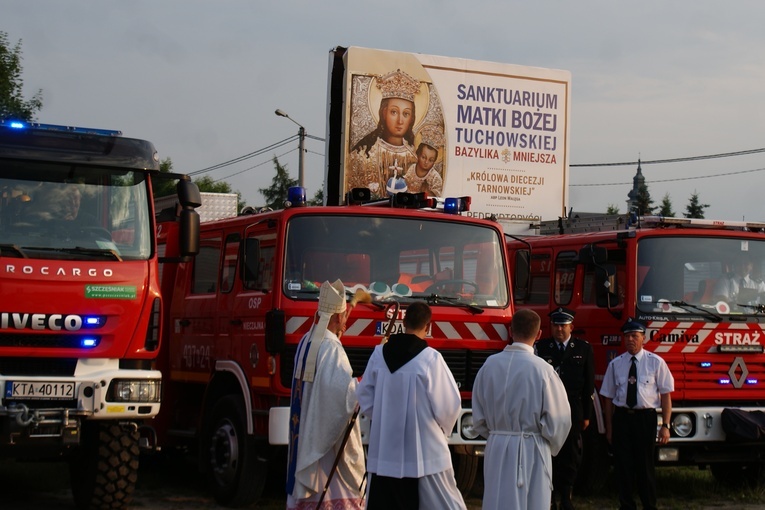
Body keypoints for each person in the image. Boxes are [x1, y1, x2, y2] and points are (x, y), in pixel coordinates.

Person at [356, 301, 466, 509]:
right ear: (428, 326)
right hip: (421, 450)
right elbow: (449, 404)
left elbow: (363, 394)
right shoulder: (431, 358)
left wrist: (382, 416)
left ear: (403, 321)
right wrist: (443, 429)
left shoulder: (379, 354)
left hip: (384, 446)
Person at [472, 308, 572, 510]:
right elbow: (560, 419)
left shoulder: (489, 366)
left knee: (497, 500)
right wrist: (549, 443)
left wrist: (496, 434)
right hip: (532, 448)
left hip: (497, 446)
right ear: (539, 334)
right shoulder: (543, 370)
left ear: (510, 331)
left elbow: (479, 414)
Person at [286, 279, 365, 510]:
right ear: (337, 317)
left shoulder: (306, 341)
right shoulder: (331, 348)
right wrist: (363, 383)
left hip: (307, 433)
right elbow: (342, 397)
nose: (345, 324)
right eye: (343, 318)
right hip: (324, 445)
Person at [600, 318, 675, 510]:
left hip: (645, 419)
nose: (630, 340)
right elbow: (608, 398)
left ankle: (649, 505)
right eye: (627, 336)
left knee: (645, 466)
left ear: (643, 338)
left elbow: (666, 396)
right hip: (623, 418)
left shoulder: (655, 362)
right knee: (623, 466)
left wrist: (665, 426)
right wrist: (609, 428)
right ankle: (626, 505)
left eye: (634, 336)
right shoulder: (616, 364)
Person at [535, 307, 595, 510]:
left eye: (563, 325)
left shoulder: (583, 349)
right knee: (550, 453)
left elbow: (588, 385)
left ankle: (566, 496)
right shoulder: (541, 348)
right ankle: (549, 495)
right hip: (548, 409)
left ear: (572, 327)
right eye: (556, 325)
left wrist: (586, 415)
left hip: (572, 409)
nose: (559, 329)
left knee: (570, 455)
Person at [348, 69, 421, 200]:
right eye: (394, 112)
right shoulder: (364, 155)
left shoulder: (415, 157)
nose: (400, 121)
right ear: (383, 113)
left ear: (412, 118)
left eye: (406, 114)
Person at [403, 124, 444, 197]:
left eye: (431, 160)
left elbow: (437, 198)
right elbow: (405, 184)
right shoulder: (412, 168)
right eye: (423, 157)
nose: (426, 162)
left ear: (434, 161)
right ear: (418, 155)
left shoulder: (435, 177)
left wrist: (428, 193)